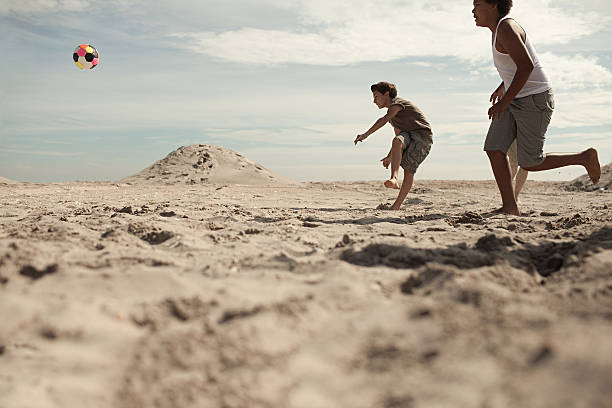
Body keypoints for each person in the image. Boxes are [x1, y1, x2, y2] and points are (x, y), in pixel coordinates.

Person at [473, 0, 601, 216]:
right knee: (494, 149)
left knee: (530, 162)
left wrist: (504, 101)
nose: (473, 10)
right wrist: (502, 87)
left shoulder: (506, 27)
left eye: (477, 4)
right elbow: (516, 67)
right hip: (516, 97)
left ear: (493, 5)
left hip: (534, 100)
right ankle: (510, 206)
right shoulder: (497, 31)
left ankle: (584, 157)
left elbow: (527, 66)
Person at [354, 82, 433, 210]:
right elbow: (399, 138)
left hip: (422, 137)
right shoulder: (394, 118)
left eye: (376, 97)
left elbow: (383, 119)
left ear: (386, 94)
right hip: (408, 135)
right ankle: (394, 179)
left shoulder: (397, 104)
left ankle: (396, 205)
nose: (374, 101)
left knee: (408, 170)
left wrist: (365, 134)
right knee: (396, 140)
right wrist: (389, 156)